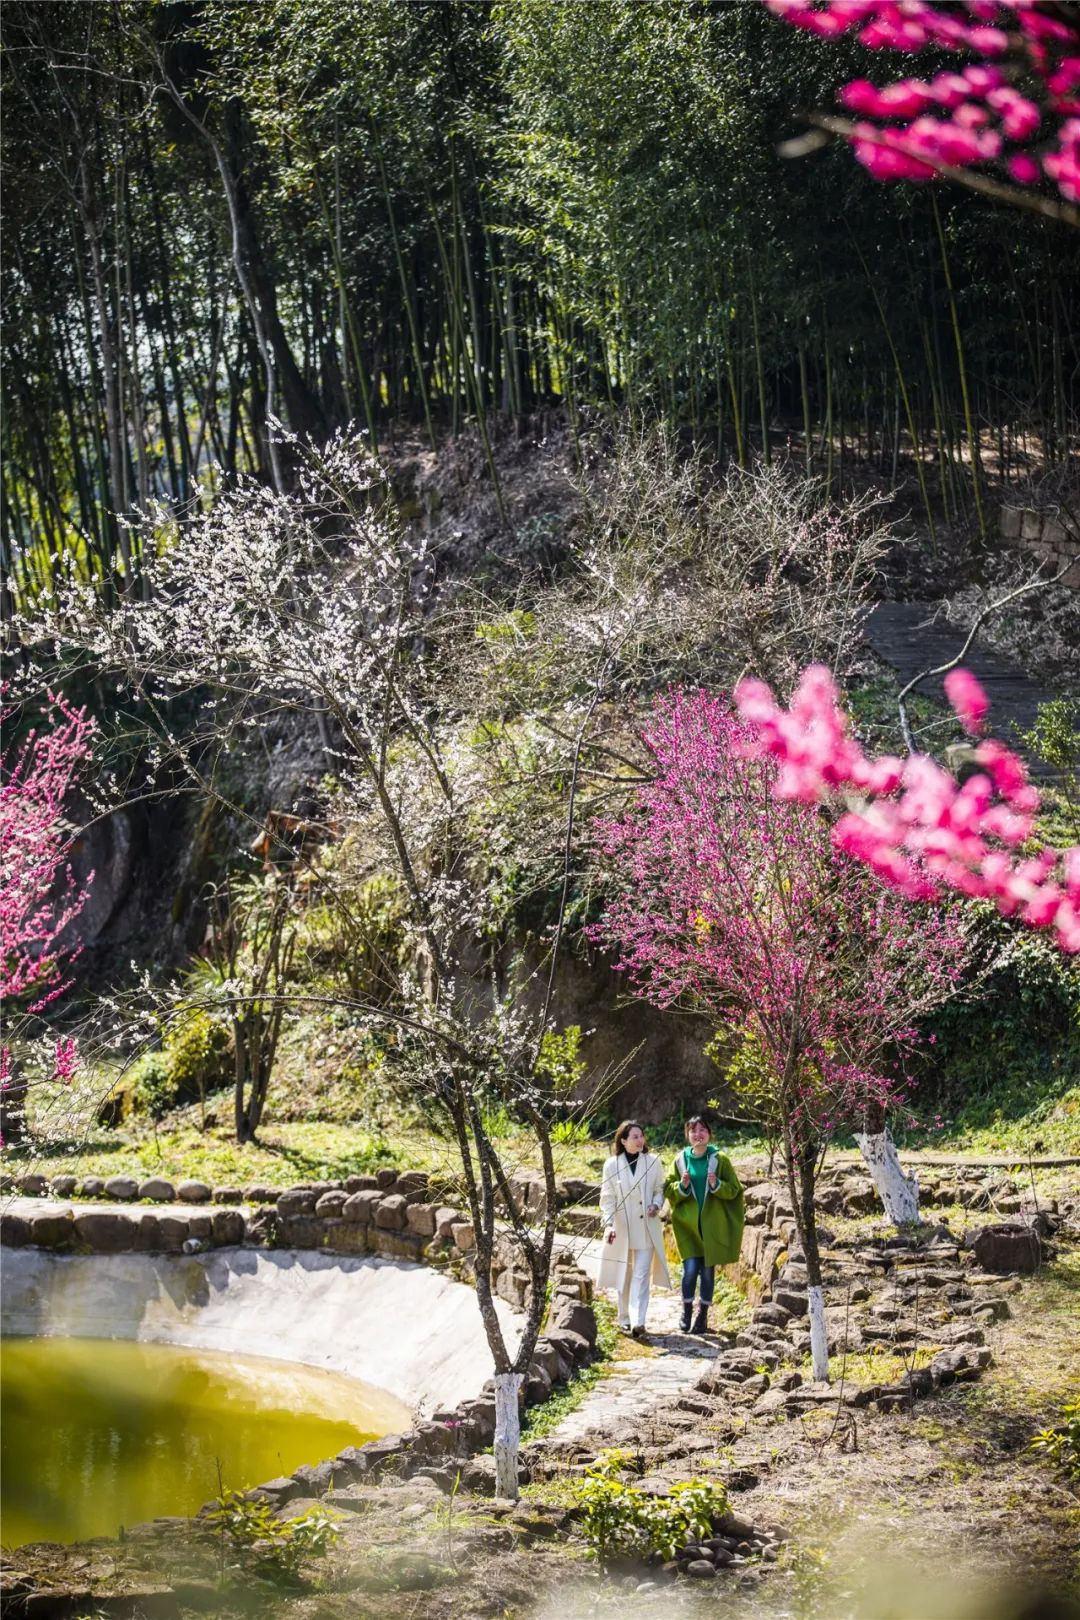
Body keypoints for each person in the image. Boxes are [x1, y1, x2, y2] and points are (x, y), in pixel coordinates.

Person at [665, 1114, 744, 1335]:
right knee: (690, 1271)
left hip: (711, 1227)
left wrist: (716, 1184)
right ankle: (687, 1311)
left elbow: (734, 1190)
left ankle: (703, 1315)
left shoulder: (719, 1159)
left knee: (708, 1273)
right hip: (688, 1227)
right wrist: (682, 1186)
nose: (698, 1134)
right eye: (693, 1130)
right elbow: (669, 1190)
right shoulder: (680, 1160)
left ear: (709, 1134)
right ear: (687, 1134)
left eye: (702, 1130)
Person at [596, 1119, 670, 1338]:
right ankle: (624, 1317)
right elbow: (607, 1197)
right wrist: (608, 1224)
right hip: (621, 1226)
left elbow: (659, 1189)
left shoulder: (653, 1162)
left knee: (641, 1274)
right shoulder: (611, 1165)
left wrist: (656, 1204)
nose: (640, 1140)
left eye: (641, 1136)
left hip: (646, 1226)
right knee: (624, 1273)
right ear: (623, 1140)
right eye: (634, 1137)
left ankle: (639, 1320)